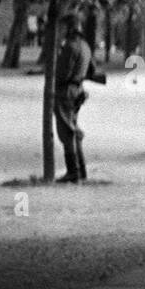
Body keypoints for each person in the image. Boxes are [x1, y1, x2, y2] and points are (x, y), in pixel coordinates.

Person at [53, 12, 92, 183]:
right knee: (73, 129)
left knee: (66, 131)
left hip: (66, 91)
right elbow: (92, 70)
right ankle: (80, 169)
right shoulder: (85, 46)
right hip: (78, 90)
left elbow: (62, 73)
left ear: (70, 28)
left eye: (63, 27)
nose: (60, 31)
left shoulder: (70, 47)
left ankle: (73, 171)